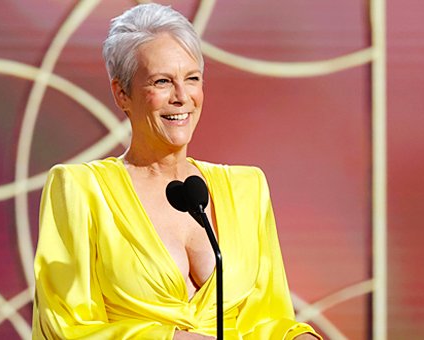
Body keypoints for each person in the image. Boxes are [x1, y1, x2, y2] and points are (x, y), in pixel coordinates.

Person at [32, 4, 321, 339]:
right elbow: (65, 327)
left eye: (192, 79)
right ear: (121, 93)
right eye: (163, 81)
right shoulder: (80, 190)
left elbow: (267, 320)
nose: (182, 97)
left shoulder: (247, 189)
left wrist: (298, 337)